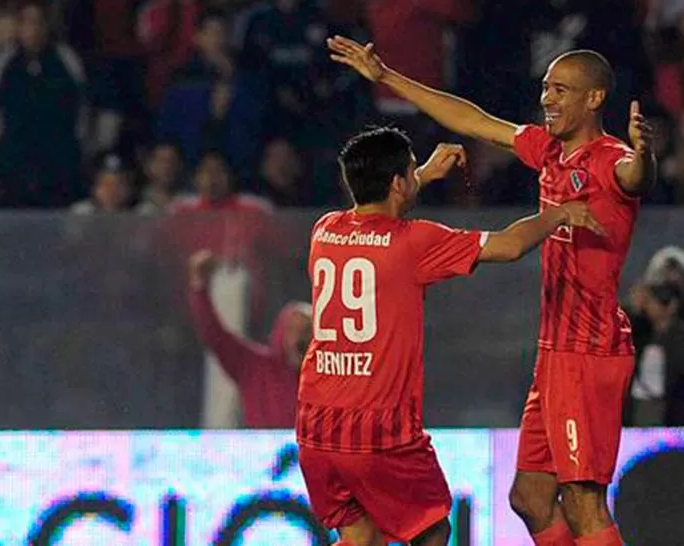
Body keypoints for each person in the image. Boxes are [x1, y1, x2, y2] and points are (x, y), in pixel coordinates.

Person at [327, 37, 656, 546]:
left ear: (594, 99)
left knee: (584, 500)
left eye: (562, 90)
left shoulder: (611, 158)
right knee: (529, 498)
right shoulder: (548, 151)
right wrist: (387, 76)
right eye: (546, 88)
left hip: (589, 350)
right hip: (554, 352)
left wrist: (646, 154)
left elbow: (632, 177)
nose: (548, 99)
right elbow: (472, 119)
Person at [296, 127, 604, 546]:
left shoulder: (324, 231)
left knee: (360, 536)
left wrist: (419, 175)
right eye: (408, 172)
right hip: (379, 432)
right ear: (398, 183)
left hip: (316, 426)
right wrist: (559, 213)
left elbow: (376, 209)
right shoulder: (413, 242)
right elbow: (510, 245)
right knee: (432, 530)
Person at [187, 248, 310, 429]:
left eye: (307, 330)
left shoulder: (328, 378)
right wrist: (199, 287)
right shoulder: (254, 367)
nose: (299, 336)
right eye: (293, 329)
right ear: (281, 331)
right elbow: (215, 335)